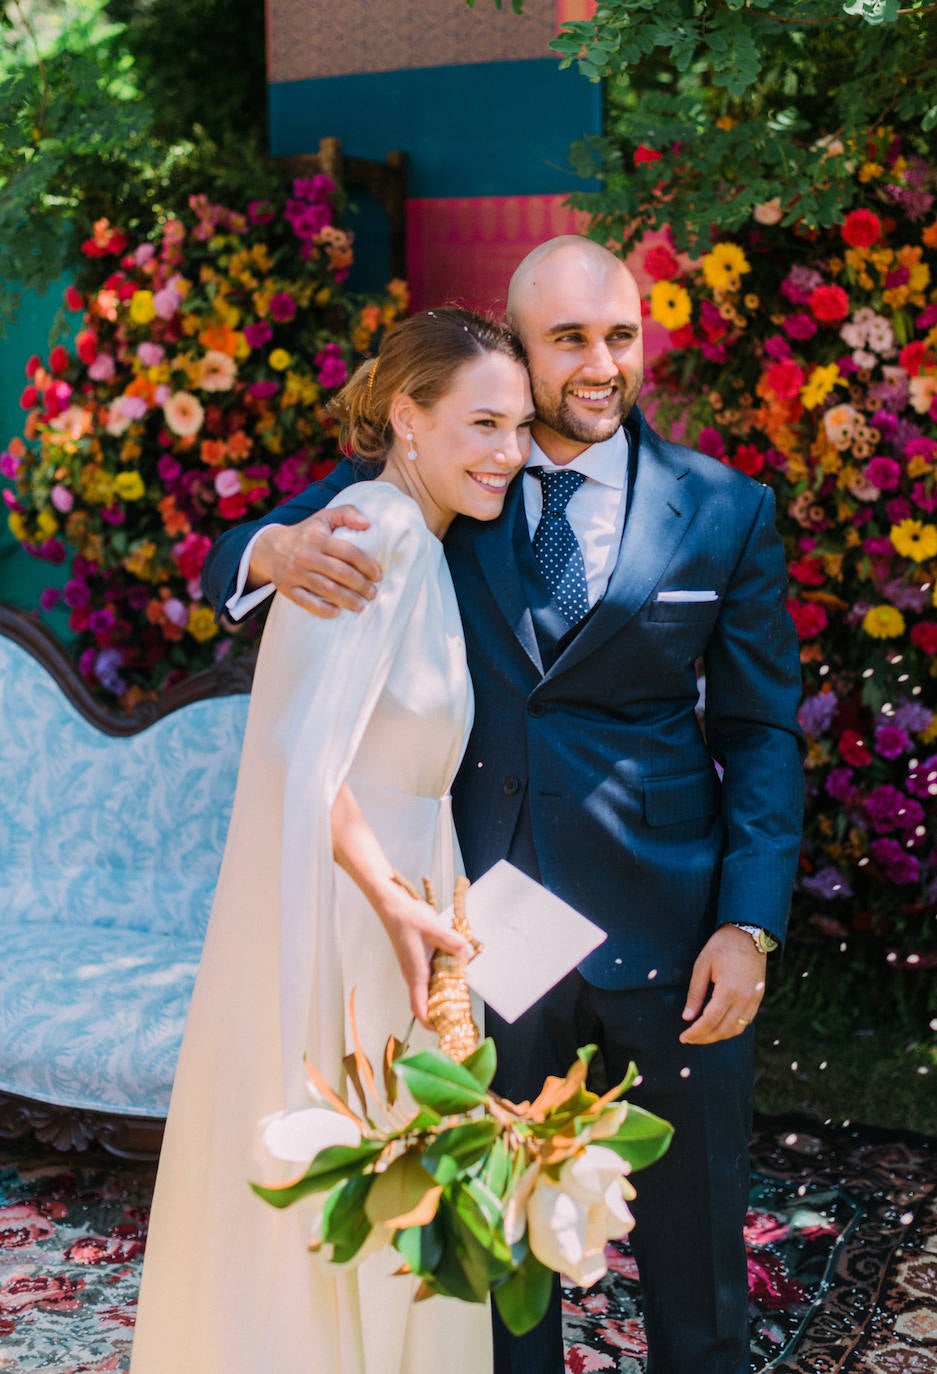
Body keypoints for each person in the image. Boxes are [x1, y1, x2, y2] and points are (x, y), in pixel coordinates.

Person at [202, 236, 805, 1374]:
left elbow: (758, 728)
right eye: (567, 339)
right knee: (491, 1272)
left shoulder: (725, 511)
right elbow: (246, 551)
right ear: (518, 356)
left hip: (670, 931)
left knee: (698, 1257)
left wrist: (749, 920)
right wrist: (273, 548)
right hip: (482, 944)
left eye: (618, 335)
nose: (597, 364)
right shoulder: (459, 475)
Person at [130, 307, 535, 1374]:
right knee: (363, 1182)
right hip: (363, 912)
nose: (508, 452)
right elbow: (301, 764)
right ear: (407, 415)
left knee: (405, 1189)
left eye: (520, 426)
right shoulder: (373, 533)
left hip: (410, 898)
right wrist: (399, 905)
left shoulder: (429, 537)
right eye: (483, 423)